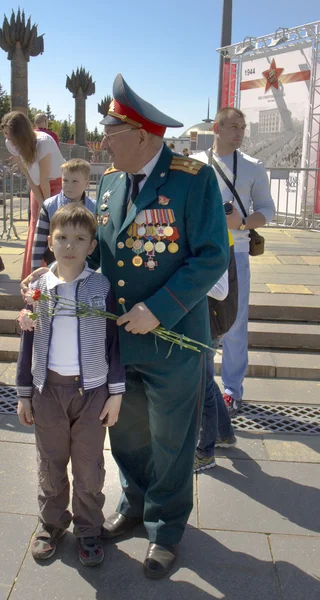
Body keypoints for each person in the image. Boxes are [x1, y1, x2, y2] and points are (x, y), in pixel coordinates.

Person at [22, 74, 229, 578]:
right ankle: (134, 503)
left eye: (110, 131)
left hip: (172, 342)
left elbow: (211, 256)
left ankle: (165, 527)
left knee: (172, 439)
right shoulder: (112, 181)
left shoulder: (193, 178)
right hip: (118, 342)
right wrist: (52, 282)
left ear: (142, 135)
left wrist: (158, 307)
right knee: (128, 435)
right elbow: (101, 257)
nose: (102, 140)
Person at [16, 203, 125, 566]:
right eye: (62, 237)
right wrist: (24, 394)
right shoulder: (39, 287)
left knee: (89, 466)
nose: (69, 246)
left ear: (92, 245)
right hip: (48, 393)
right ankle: (51, 523)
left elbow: (114, 342)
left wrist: (115, 393)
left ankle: (89, 528)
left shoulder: (101, 286)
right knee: (50, 462)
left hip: (92, 393)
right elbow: (27, 341)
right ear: (51, 241)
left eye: (80, 239)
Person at [191, 107, 275, 415]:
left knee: (235, 323)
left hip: (236, 252)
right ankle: (199, 385)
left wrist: (242, 224)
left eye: (242, 127)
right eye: (233, 127)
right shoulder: (194, 165)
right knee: (197, 319)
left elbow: (267, 209)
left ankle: (231, 389)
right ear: (216, 127)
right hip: (197, 252)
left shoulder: (253, 167)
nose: (239, 133)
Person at [1, 111, 65, 280]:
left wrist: (48, 207)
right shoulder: (11, 143)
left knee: (56, 225)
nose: (7, 138)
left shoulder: (43, 142)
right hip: (36, 185)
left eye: (10, 133)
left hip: (56, 183)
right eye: (5, 133)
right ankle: (33, 277)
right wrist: (41, 204)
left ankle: (56, 275)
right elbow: (28, 175)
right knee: (36, 225)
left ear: (21, 132)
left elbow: (45, 178)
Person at [194, 231, 238, 473]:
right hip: (213, 319)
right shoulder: (213, 227)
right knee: (206, 380)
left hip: (211, 321)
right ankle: (225, 434)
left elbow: (219, 290)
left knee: (203, 386)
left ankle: (205, 452)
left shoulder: (215, 231)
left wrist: (184, 273)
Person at [31, 158, 95, 270]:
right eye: (65, 180)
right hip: (54, 264)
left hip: (86, 267)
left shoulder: (94, 208)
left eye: (75, 181)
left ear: (87, 183)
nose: (69, 185)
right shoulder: (50, 206)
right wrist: (34, 270)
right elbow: (39, 242)